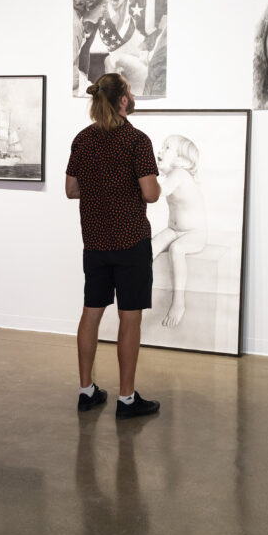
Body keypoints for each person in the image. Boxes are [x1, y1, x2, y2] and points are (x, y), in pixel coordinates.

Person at [66, 73, 162, 419]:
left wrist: (99, 190)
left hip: (95, 241)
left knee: (91, 312)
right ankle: (126, 399)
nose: (132, 96)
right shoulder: (136, 140)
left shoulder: (83, 139)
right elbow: (150, 193)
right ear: (122, 100)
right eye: (130, 91)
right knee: (129, 317)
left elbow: (71, 190)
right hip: (130, 241)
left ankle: (86, 391)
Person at [151, 135, 206, 327]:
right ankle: (134, 284)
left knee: (177, 249)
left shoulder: (180, 174)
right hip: (174, 230)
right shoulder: (172, 175)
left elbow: (159, 192)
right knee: (151, 246)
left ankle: (178, 302)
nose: (160, 150)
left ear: (181, 158)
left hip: (195, 233)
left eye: (167, 148)